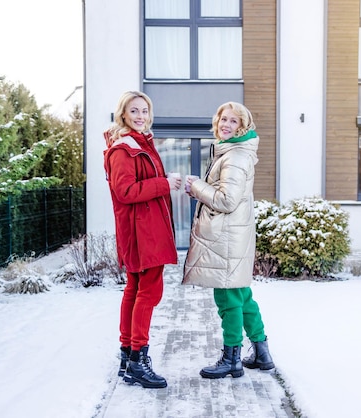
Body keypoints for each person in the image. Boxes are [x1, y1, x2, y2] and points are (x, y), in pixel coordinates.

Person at [182, 101, 275, 379]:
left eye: (233, 121)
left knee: (228, 298)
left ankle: (232, 359)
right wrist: (202, 190)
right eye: (224, 119)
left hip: (226, 238)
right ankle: (261, 353)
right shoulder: (235, 152)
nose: (226, 124)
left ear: (242, 126)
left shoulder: (234, 156)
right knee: (242, 296)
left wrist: (196, 186)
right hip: (233, 236)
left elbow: (226, 200)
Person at [103, 91, 182, 389]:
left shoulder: (137, 144)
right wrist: (164, 184)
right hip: (143, 232)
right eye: (134, 111)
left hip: (142, 230)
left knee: (136, 290)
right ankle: (137, 360)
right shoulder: (124, 149)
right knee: (147, 292)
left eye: (145, 111)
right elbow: (125, 191)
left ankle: (128, 355)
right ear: (123, 114)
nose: (140, 115)